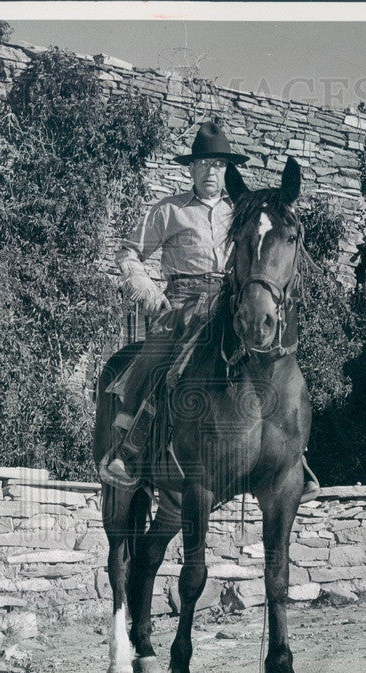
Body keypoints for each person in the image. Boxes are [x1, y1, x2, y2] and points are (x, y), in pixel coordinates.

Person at [99, 121, 247, 487]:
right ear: (191, 169)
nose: (210, 171)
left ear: (226, 170)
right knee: (154, 357)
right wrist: (150, 292)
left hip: (229, 302)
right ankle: (125, 450)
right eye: (203, 164)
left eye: (218, 164)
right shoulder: (170, 210)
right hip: (181, 303)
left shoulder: (240, 211)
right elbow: (128, 254)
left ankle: (292, 459)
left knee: (270, 352)